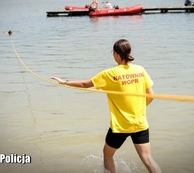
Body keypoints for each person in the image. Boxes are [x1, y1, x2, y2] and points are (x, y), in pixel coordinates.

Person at [51, 39, 161, 173]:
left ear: (116, 54)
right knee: (148, 159)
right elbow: (150, 95)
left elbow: (85, 84)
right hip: (140, 123)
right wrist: (137, 109)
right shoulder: (140, 70)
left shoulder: (109, 74)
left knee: (108, 154)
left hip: (120, 126)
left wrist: (65, 82)